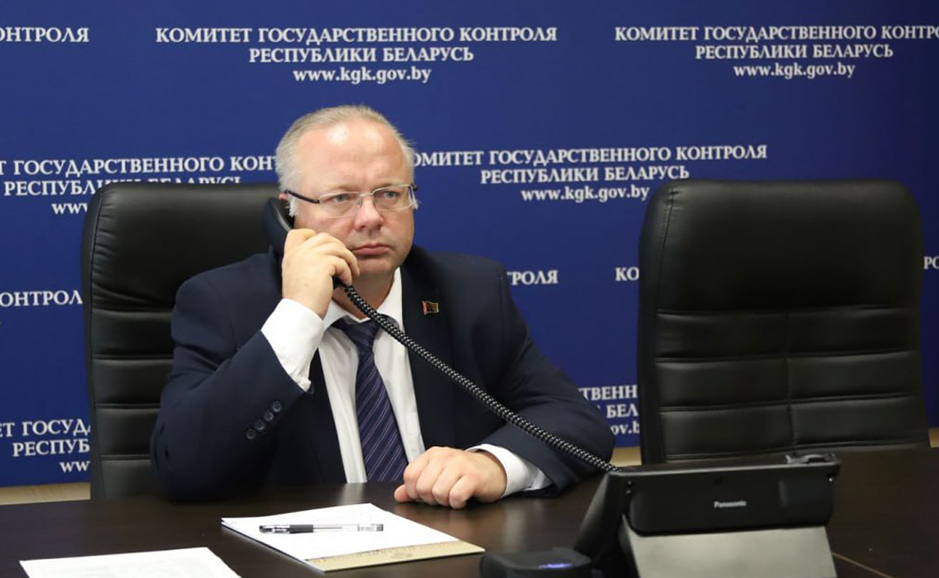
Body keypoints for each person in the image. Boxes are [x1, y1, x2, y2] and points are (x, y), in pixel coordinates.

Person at [152, 105, 613, 506]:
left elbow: (576, 421)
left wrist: (492, 464)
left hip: (447, 553)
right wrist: (297, 317)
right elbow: (181, 467)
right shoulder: (225, 303)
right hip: (298, 565)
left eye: (390, 194)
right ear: (288, 212)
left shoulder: (467, 292)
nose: (370, 218)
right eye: (340, 198)